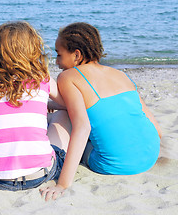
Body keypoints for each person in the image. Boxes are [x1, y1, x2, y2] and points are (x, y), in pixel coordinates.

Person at [40, 22, 162, 200]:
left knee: (69, 120)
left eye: (59, 55)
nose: (57, 63)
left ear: (76, 54)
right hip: (151, 153)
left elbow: (82, 128)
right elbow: (157, 130)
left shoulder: (68, 77)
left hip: (112, 163)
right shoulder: (120, 75)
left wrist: (62, 184)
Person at [0, 21, 70, 191]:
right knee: (63, 115)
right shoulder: (41, 77)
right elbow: (66, 104)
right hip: (39, 176)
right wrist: (45, 103)